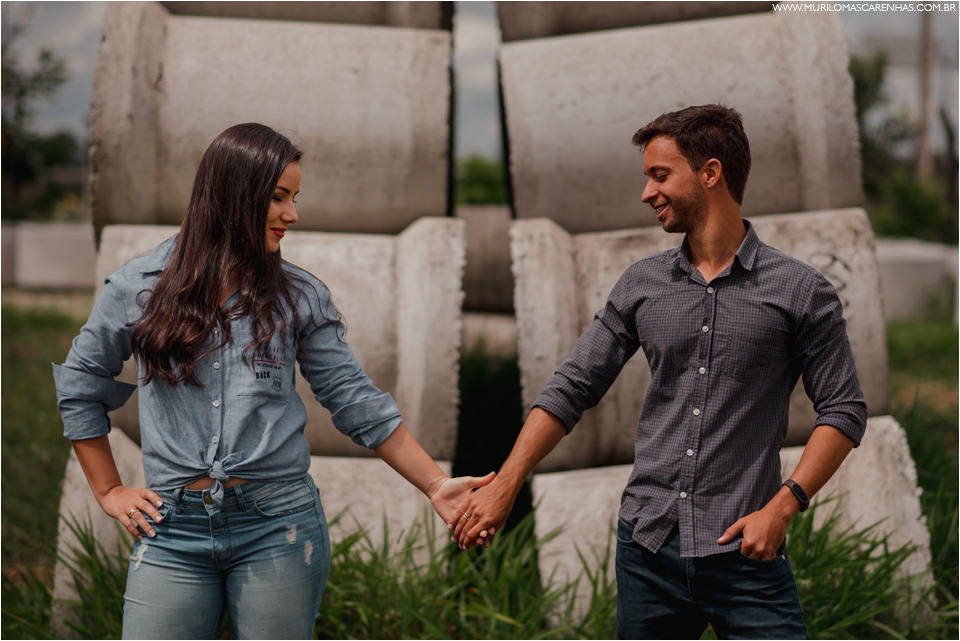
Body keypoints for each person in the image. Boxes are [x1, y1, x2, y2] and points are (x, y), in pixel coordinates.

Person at [54, 123, 494, 639]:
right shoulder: (138, 286)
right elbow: (81, 383)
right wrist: (108, 490)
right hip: (170, 530)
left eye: (294, 198)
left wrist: (436, 485)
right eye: (279, 197)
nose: (293, 214)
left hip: (277, 528)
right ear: (234, 195)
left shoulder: (299, 297)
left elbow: (354, 401)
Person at [449, 105, 867, 639]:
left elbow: (844, 410)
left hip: (746, 550)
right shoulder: (641, 284)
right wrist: (506, 484)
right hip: (648, 548)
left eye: (660, 175)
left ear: (710, 173)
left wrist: (784, 507)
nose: (647, 192)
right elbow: (573, 386)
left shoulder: (801, 291)